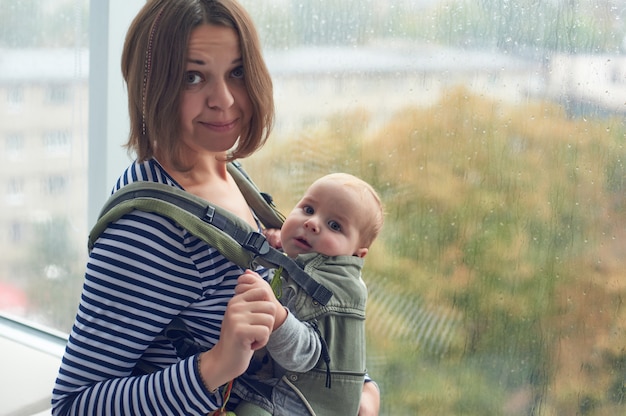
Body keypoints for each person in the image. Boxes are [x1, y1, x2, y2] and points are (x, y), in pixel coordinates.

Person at [50, 1, 380, 415]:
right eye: (193, 77)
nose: (223, 99)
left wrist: (359, 387)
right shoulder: (147, 231)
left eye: (237, 72)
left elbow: (284, 315)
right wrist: (212, 367)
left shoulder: (226, 173)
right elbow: (73, 405)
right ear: (152, 86)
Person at [231, 172, 384, 416]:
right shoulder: (313, 267)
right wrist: (278, 246)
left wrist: (278, 317)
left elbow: (307, 355)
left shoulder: (336, 290)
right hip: (289, 387)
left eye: (335, 225)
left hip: (306, 403)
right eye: (308, 209)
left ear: (357, 255)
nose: (312, 223)